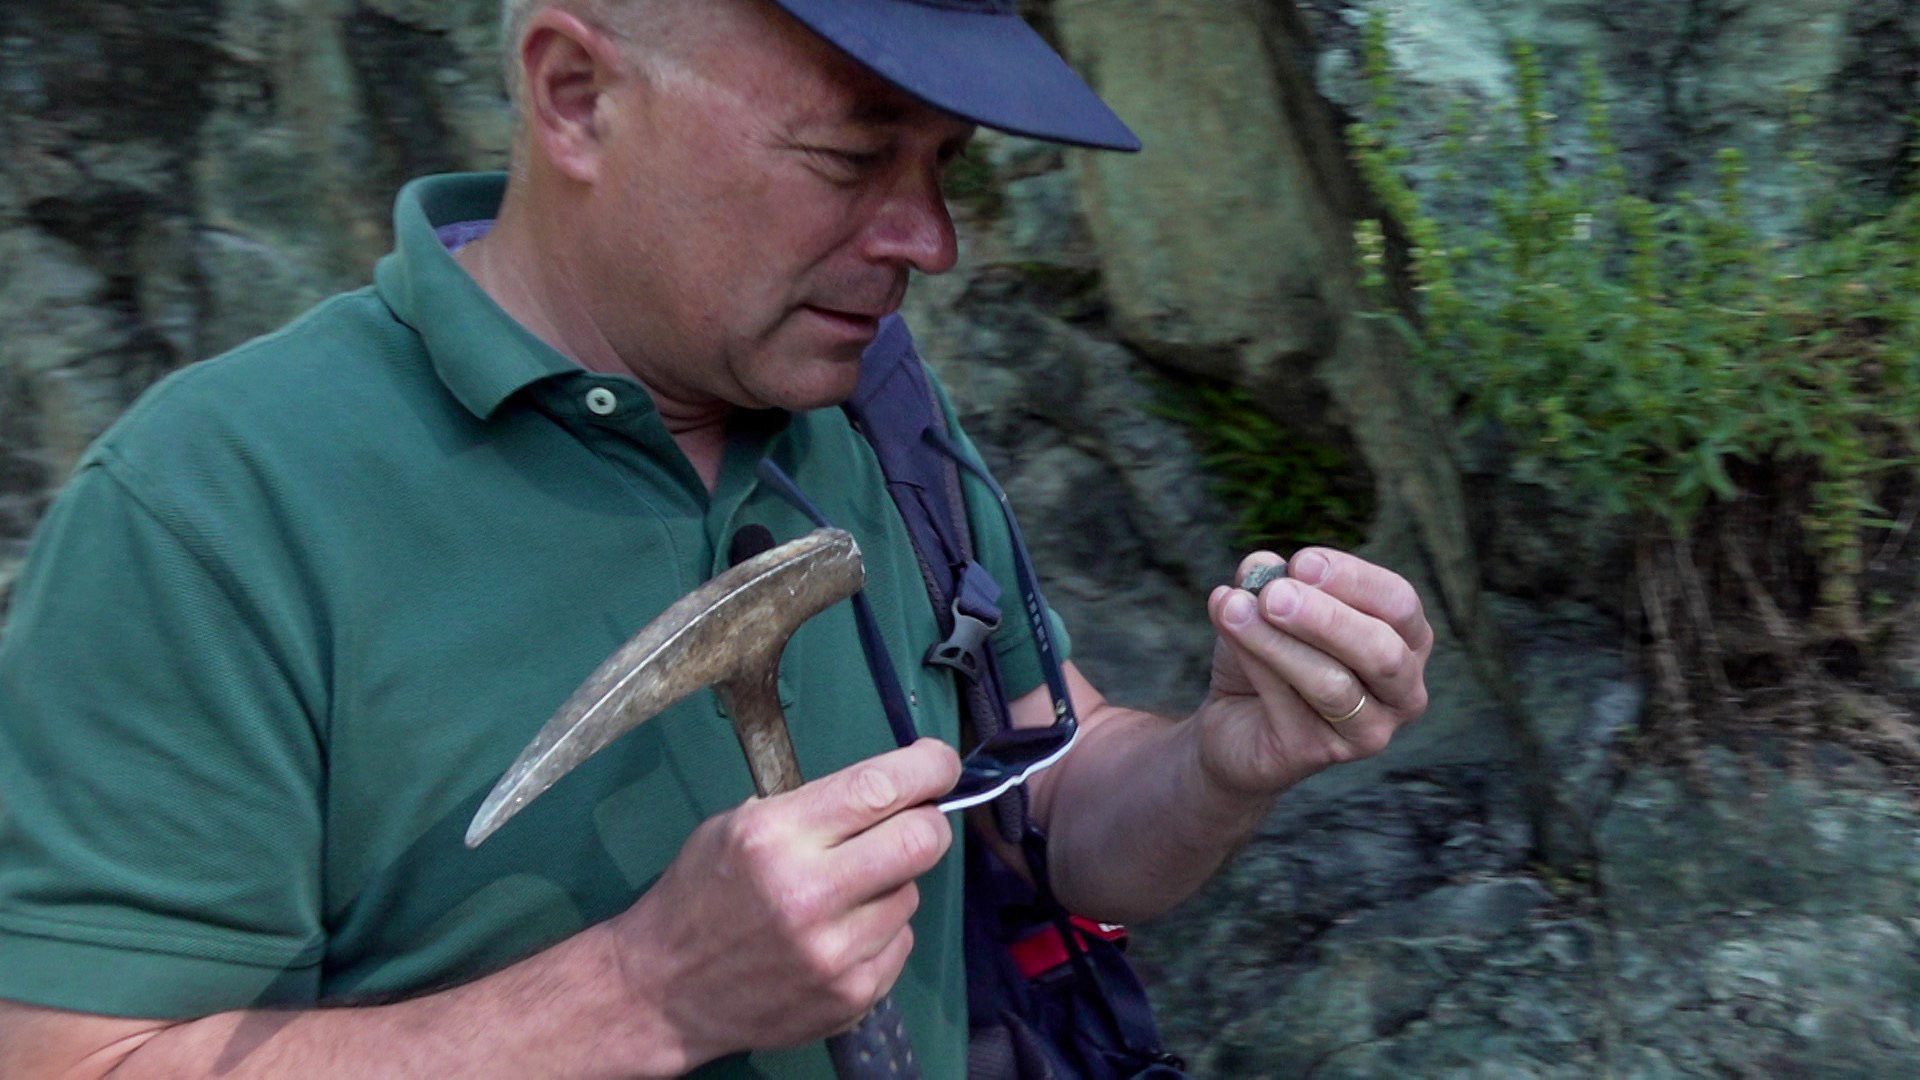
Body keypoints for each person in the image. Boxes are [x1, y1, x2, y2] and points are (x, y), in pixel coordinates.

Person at [0, 0, 1433, 1075]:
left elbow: (1037, 819)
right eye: (852, 155)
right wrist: (640, 995)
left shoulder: (876, 411)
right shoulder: (214, 505)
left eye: (943, 163)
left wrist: (1218, 762)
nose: (929, 238)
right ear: (575, 95)